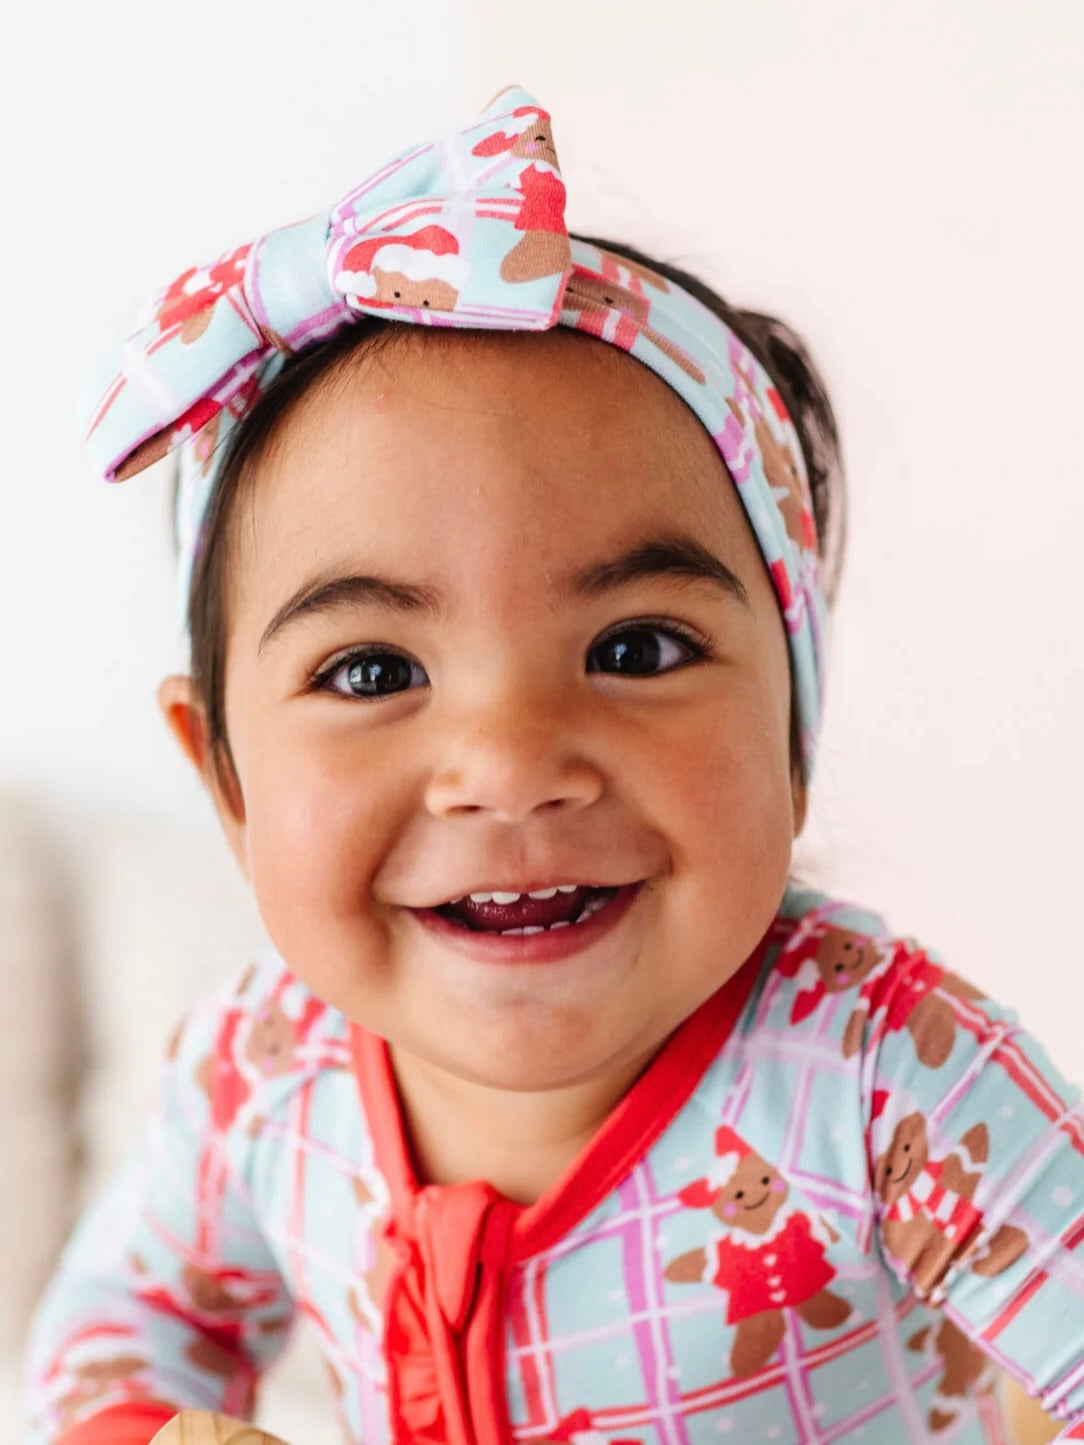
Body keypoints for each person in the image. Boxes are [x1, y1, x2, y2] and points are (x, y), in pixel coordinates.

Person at [23, 86, 1083, 1445]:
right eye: (371, 671)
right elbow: (113, 1335)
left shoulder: (885, 1079)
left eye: (637, 648)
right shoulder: (261, 1071)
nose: (510, 768)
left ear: (794, 730)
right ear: (224, 780)